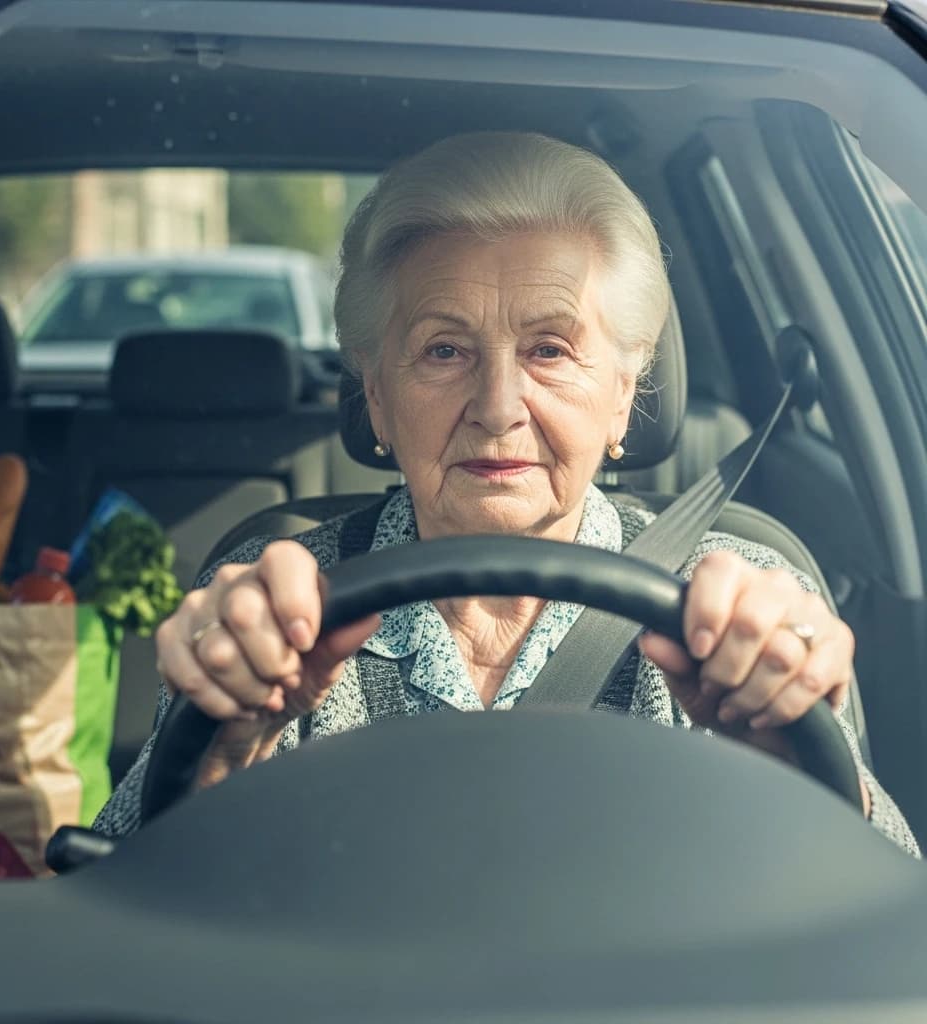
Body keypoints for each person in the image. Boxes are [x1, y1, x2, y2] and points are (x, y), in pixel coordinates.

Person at [93, 131, 917, 855]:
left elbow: (887, 911)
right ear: (377, 395)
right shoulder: (276, 603)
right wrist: (225, 754)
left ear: (623, 393)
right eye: (445, 350)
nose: (496, 408)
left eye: (550, 349)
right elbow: (121, 910)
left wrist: (803, 779)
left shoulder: (736, 600)